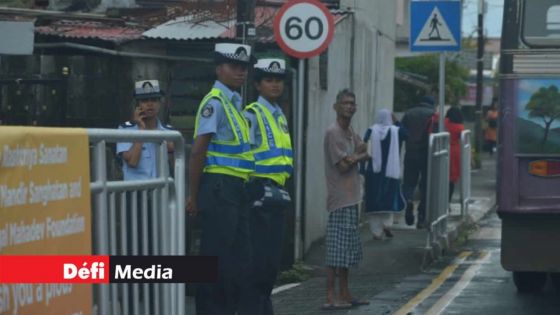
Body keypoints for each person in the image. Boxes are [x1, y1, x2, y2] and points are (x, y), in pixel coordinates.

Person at [187, 43, 256, 315]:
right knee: (216, 260)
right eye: (233, 66)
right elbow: (197, 151)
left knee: (238, 261)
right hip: (219, 188)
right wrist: (193, 196)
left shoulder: (234, 104)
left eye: (243, 67)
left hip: (236, 189)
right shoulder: (214, 103)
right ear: (219, 69)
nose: (240, 72)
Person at [243, 58, 293, 315]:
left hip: (277, 195)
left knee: (271, 267)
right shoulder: (252, 114)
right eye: (269, 80)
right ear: (257, 84)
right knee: (258, 266)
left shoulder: (279, 114)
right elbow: (244, 155)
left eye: (278, 80)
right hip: (259, 194)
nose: (275, 85)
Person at [323, 89, 370, 310]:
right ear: (336, 107)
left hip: (352, 197)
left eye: (352, 103)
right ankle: (331, 296)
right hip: (340, 199)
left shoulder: (349, 130)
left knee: (347, 251)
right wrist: (359, 156)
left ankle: (345, 292)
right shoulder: (333, 132)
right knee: (335, 251)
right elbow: (343, 165)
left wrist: (358, 153)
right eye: (345, 103)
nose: (350, 107)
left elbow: (361, 148)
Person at [362, 109, 407, 240]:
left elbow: (363, 146)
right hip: (390, 172)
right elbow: (407, 135)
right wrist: (397, 121)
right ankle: (387, 225)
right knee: (389, 199)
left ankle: (376, 232)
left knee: (373, 201)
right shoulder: (395, 130)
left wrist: (362, 169)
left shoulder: (371, 130)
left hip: (373, 171)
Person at [117, 79, 174, 180]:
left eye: (154, 100)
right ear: (137, 105)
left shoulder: (169, 132)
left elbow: (176, 164)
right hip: (136, 192)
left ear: (159, 104)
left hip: (160, 192)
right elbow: (132, 162)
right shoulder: (125, 129)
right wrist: (141, 130)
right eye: (145, 100)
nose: (150, 104)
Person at [401, 95, 436, 229]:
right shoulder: (433, 114)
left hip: (410, 153)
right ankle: (421, 217)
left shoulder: (409, 113)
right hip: (427, 154)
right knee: (425, 186)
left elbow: (402, 133)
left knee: (409, 183)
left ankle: (408, 201)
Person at [445, 107, 465, 203]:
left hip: (443, 149)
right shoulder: (460, 127)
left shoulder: (444, 123)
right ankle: (448, 201)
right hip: (455, 152)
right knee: (451, 178)